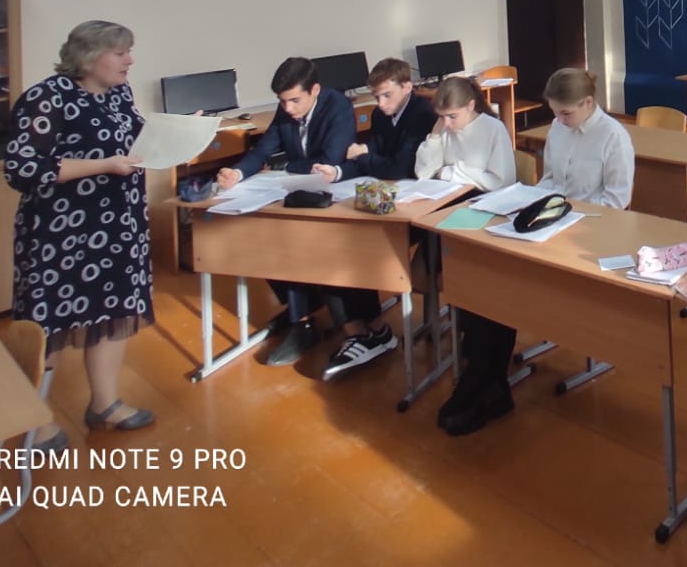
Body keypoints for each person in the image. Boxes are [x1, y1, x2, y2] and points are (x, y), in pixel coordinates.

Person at [6, 20, 155, 446]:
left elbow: (136, 141)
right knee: (48, 323)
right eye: (120, 53)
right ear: (89, 58)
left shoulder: (118, 94)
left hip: (118, 227)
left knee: (113, 314)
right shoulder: (47, 98)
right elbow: (22, 169)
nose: (130, 60)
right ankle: (33, 420)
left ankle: (105, 404)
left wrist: (177, 133)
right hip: (61, 234)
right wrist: (103, 165)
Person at [216, 56, 357, 366]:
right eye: (282, 101)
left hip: (336, 195)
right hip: (298, 191)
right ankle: (301, 308)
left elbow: (328, 160)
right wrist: (237, 173)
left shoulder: (338, 107)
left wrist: (283, 165)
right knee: (260, 234)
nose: (288, 108)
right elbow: (262, 151)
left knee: (291, 240)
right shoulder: (286, 109)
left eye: (294, 101)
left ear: (314, 90)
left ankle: (303, 321)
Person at [314, 57, 436, 381]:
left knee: (359, 247)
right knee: (334, 242)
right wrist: (338, 171)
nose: (380, 104)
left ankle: (371, 330)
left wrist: (366, 157)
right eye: (376, 96)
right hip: (387, 198)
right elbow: (370, 157)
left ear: (407, 86)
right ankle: (361, 329)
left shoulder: (422, 114)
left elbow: (400, 167)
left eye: (386, 95)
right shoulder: (382, 116)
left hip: (418, 206)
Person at [419, 77, 519, 436]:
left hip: (491, 215)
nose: (447, 124)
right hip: (457, 215)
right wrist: (434, 139)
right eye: (441, 117)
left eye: (453, 116)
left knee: (486, 294)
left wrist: (453, 171)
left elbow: (502, 181)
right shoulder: (444, 131)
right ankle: (477, 371)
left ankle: (488, 381)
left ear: (471, 106)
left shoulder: (492, 129)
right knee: (458, 285)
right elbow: (422, 172)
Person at [540, 67, 634, 208]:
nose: (559, 120)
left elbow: (616, 199)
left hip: (593, 216)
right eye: (554, 112)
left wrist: (576, 213)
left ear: (588, 102)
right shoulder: (557, 127)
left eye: (566, 113)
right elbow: (549, 179)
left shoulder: (613, 135)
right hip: (554, 211)